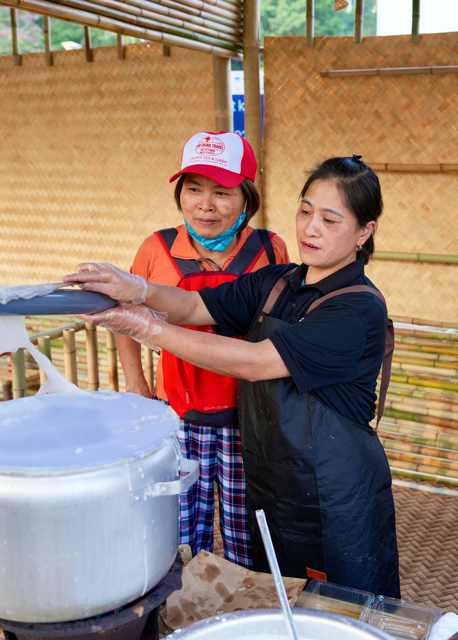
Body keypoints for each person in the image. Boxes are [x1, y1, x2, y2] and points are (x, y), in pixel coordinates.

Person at [65, 155, 400, 597]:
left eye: (330, 219)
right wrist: (139, 289)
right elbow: (193, 306)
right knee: (273, 593)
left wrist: (149, 328)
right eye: (304, 211)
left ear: (364, 231)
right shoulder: (278, 281)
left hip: (335, 496)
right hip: (276, 482)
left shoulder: (358, 308)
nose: (310, 228)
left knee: (339, 608)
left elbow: (255, 361)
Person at [119, 130, 289, 568]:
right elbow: (125, 317)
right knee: (178, 529)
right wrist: (137, 384)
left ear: (246, 197)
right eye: (193, 189)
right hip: (177, 416)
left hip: (248, 421)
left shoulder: (270, 250)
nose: (205, 205)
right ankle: (182, 612)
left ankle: (246, 611)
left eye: (222, 192)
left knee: (246, 530)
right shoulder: (156, 248)